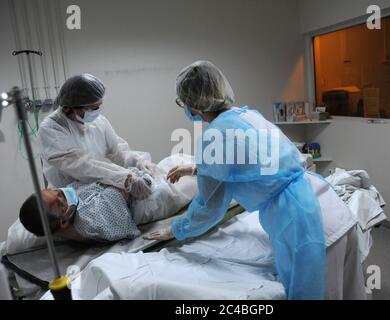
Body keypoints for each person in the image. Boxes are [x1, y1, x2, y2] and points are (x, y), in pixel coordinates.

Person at [145, 61, 366, 300]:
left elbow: (209, 207)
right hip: (331, 208)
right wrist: (197, 168)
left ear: (192, 103)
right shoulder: (248, 115)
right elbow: (251, 162)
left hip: (308, 227)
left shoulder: (213, 137)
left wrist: (175, 230)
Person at [19, 155, 197, 242]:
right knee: (198, 179)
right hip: (151, 200)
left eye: (57, 191)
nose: (63, 194)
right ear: (63, 223)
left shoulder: (66, 202)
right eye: (60, 203)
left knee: (178, 159)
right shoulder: (88, 221)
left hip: (144, 184)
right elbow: (119, 193)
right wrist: (122, 178)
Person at [38, 74, 158, 200]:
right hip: (71, 198)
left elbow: (117, 151)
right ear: (71, 107)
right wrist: (124, 178)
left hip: (102, 187)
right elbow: (81, 166)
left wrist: (139, 162)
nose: (97, 111)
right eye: (93, 107)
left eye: (99, 106)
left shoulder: (98, 121)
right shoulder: (52, 128)